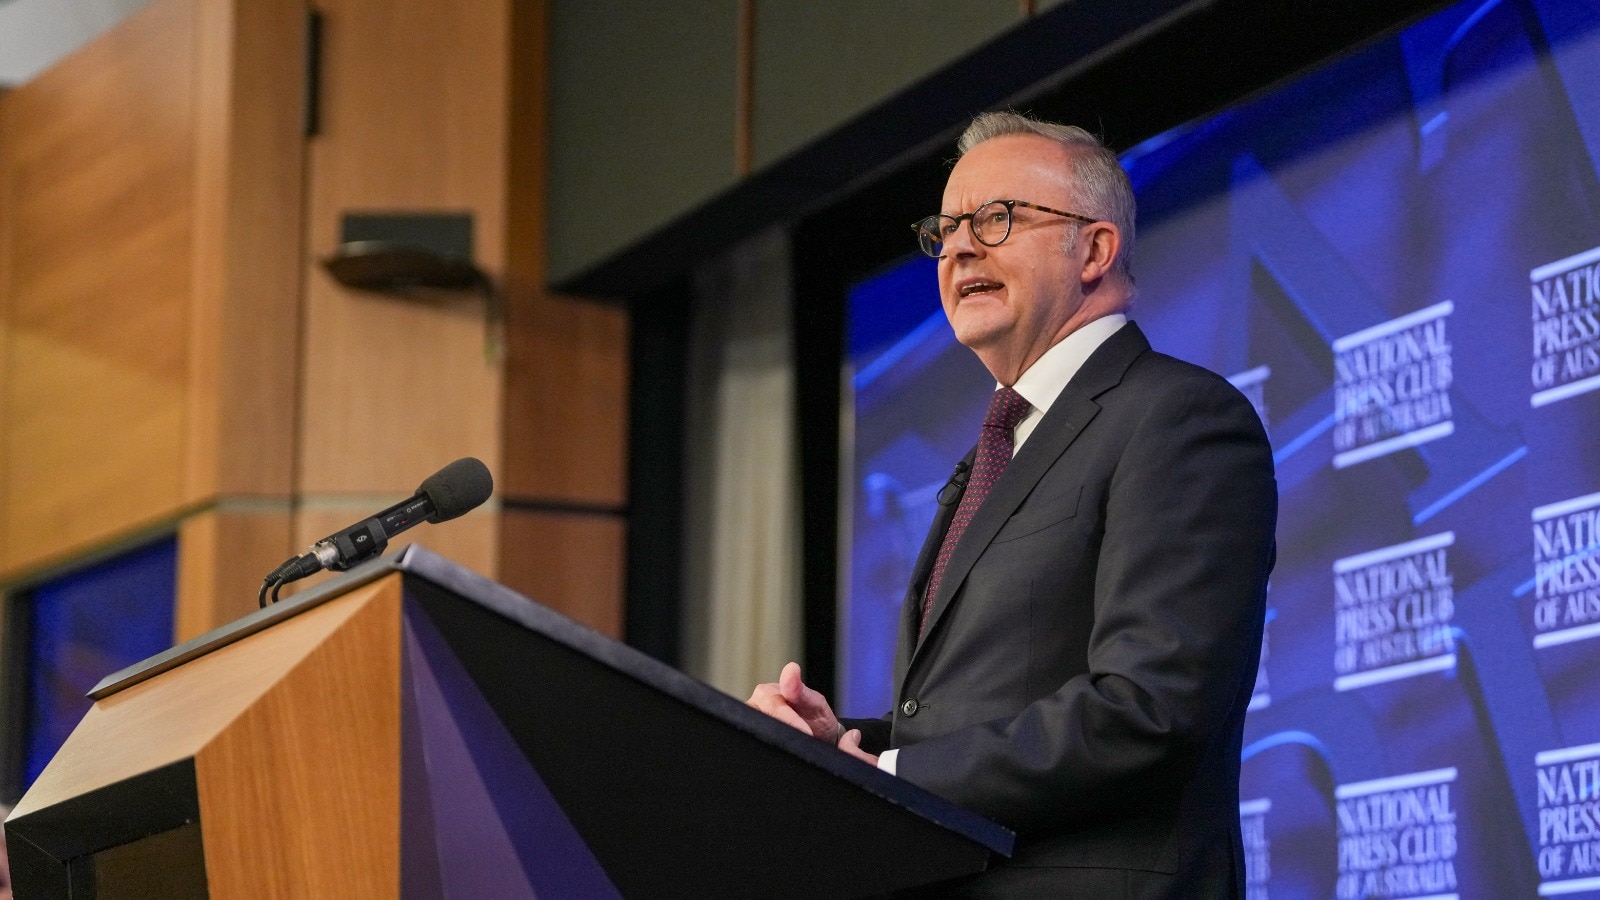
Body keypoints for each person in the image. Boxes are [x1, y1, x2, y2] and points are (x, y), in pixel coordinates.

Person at [748, 111, 1277, 898]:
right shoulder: (998, 448)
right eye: (948, 227)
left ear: (1094, 249)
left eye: (997, 219)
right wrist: (843, 748)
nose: (960, 247)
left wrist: (893, 774)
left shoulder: (1177, 418)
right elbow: (965, 713)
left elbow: (1149, 707)